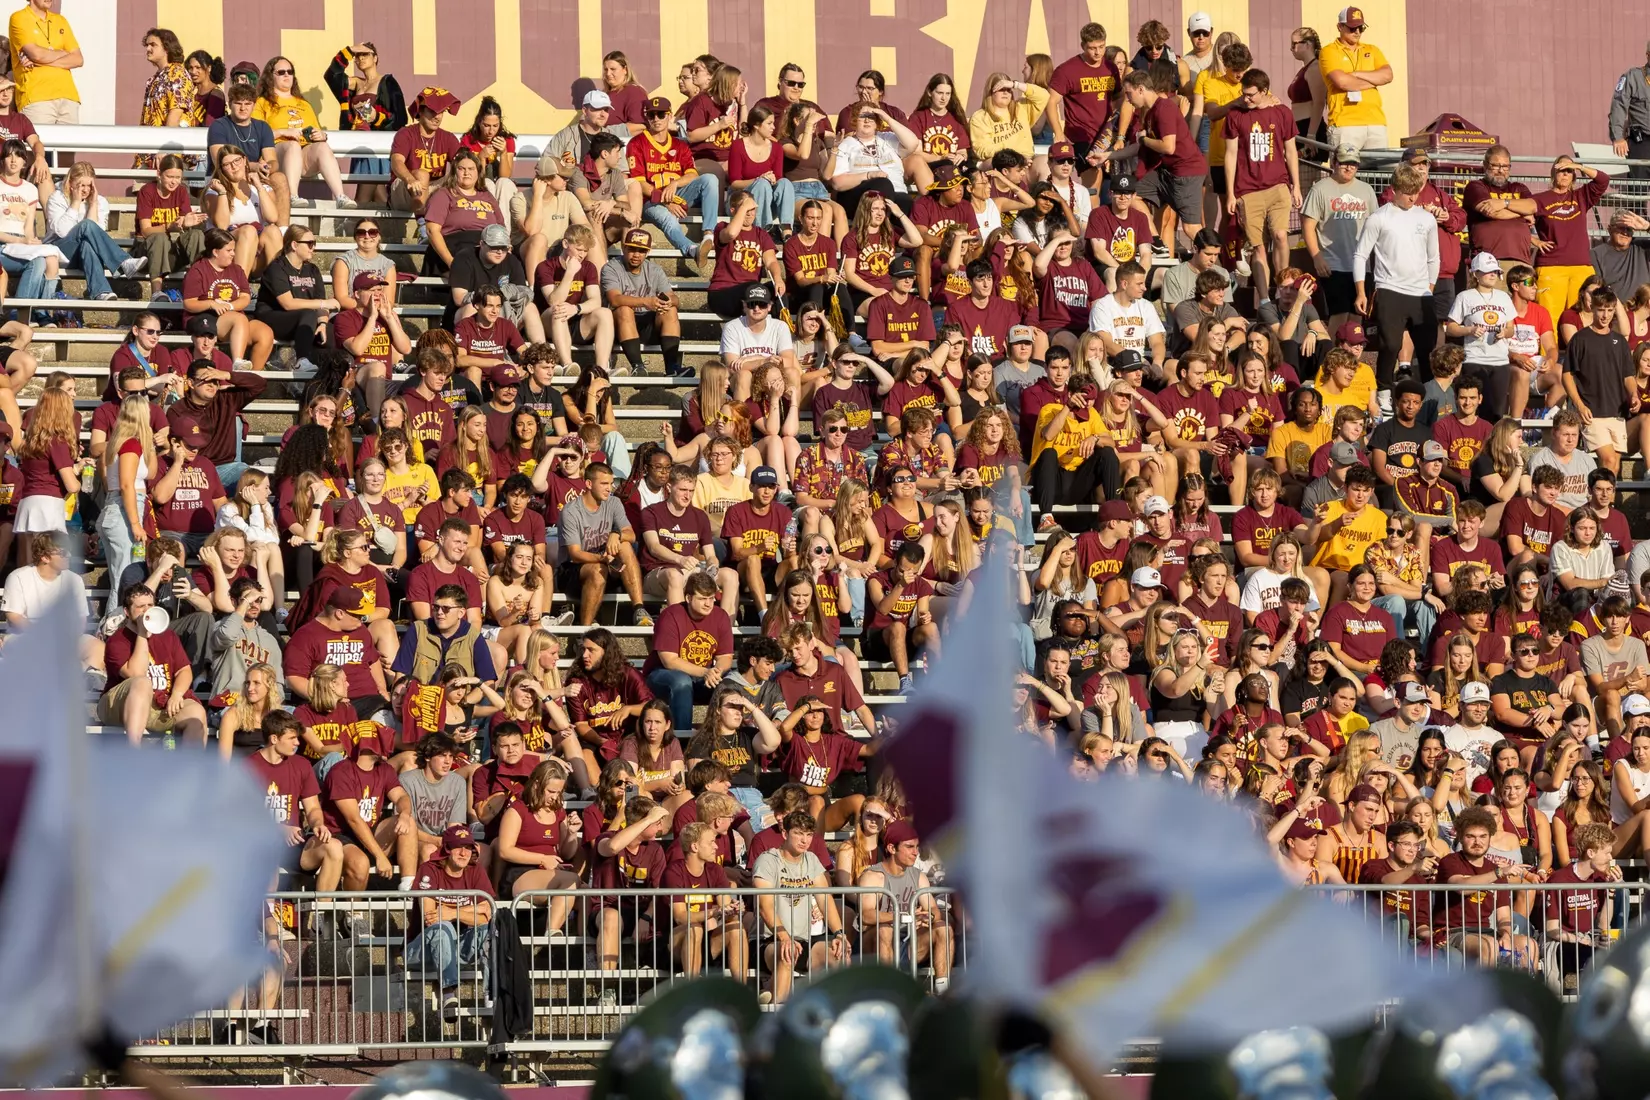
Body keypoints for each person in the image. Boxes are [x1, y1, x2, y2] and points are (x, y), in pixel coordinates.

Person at [1354, 163, 1439, 400]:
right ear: (1394, 189)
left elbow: (1434, 257)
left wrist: (1429, 288)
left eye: (1416, 192)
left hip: (1420, 293)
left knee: (1426, 348)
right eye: (1407, 192)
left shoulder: (1426, 219)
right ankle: (1383, 392)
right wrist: (1361, 291)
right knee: (1390, 345)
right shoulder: (1379, 218)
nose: (1412, 197)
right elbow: (1361, 255)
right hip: (1389, 289)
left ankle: (1431, 395)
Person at [753, 809, 850, 1004]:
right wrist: (784, 938)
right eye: (798, 833)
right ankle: (777, 1019)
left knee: (839, 956)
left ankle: (835, 1017)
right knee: (788, 952)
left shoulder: (811, 860)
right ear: (785, 834)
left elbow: (825, 899)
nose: (805, 840)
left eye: (808, 834)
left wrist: (839, 933)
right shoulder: (768, 860)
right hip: (769, 939)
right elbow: (765, 907)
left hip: (803, 940)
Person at [99, 582, 208, 746]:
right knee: (142, 683)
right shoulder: (118, 640)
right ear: (127, 612)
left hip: (160, 704)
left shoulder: (168, 636)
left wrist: (177, 694)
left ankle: (190, 768)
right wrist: (142, 634)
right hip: (120, 705)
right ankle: (134, 753)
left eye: (150, 605)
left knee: (196, 713)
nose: (146, 610)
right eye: (140, 606)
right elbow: (136, 674)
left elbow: (184, 671)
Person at [407, 823, 493, 1021]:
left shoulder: (476, 871)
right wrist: (471, 910)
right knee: (442, 927)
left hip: (459, 946)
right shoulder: (429, 869)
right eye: (458, 847)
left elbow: (486, 914)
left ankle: (490, 996)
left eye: (469, 848)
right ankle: (448, 993)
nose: (464, 853)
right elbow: (431, 916)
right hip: (421, 950)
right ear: (447, 849)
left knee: (491, 929)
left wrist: (451, 912)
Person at [628, 96, 718, 272]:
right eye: (651, 115)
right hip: (650, 200)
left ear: (669, 116)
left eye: (661, 114)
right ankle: (691, 249)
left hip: (676, 194)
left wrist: (675, 184)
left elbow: (692, 174)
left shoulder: (679, 144)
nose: (656, 119)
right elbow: (639, 183)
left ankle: (708, 235)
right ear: (646, 117)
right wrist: (666, 201)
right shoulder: (637, 143)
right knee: (667, 218)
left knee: (710, 180)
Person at [1120, 69, 1205, 252]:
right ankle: (1156, 242)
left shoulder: (1164, 108)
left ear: (1141, 89)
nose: (1127, 99)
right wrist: (1106, 156)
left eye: (1129, 93)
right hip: (1168, 173)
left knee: (1191, 228)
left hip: (1186, 173)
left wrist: (1143, 139)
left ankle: (1219, 270)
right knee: (1131, 194)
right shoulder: (1150, 113)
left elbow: (1168, 147)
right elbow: (1141, 147)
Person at [253, 56, 353, 208]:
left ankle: (340, 197)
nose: (287, 75)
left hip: (303, 155)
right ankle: (292, 195)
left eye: (290, 72)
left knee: (322, 147)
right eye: (281, 72)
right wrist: (283, 132)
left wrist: (321, 135)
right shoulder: (262, 102)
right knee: (292, 145)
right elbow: (256, 133)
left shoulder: (304, 104)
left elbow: (315, 129)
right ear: (270, 76)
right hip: (275, 154)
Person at [323, 42, 405, 207]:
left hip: (378, 144)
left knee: (371, 186)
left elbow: (401, 119)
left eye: (365, 54)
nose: (360, 58)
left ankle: (353, 219)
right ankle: (378, 223)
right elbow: (331, 75)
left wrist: (377, 117)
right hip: (359, 142)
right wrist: (349, 51)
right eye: (357, 55)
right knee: (377, 191)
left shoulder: (388, 82)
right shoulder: (354, 84)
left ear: (375, 58)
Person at [1532, 155, 1611, 325]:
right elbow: (1520, 221)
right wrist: (1534, 240)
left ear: (1574, 175)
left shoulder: (1581, 196)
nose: (1565, 174)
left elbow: (1603, 180)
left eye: (1569, 171)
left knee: (1584, 315)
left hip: (1581, 265)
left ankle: (1583, 351)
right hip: (1551, 265)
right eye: (1561, 170)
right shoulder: (1540, 199)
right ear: (1553, 173)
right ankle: (1549, 352)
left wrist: (1580, 166)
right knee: (1550, 318)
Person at [1564, 286, 1634, 475]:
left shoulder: (1620, 341)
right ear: (1592, 308)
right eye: (1601, 309)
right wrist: (1579, 405)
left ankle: (1603, 503)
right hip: (1591, 411)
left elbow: (1628, 375)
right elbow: (1567, 375)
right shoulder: (1580, 339)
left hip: (1617, 411)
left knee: (1614, 465)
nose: (1605, 315)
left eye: (1610, 310)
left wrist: (1633, 395)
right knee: (1609, 459)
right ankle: (1599, 503)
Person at [604, 227, 686, 377]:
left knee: (671, 310)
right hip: (619, 325)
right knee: (624, 309)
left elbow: (675, 298)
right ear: (623, 247)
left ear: (647, 252)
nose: (636, 255)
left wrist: (668, 302)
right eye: (632, 249)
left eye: (641, 251)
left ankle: (672, 368)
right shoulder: (611, 267)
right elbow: (614, 299)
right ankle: (638, 367)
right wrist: (645, 302)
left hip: (648, 323)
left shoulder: (654, 269)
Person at [1317, 5, 1390, 153]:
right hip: (1345, 123)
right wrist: (1374, 79)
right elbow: (1342, 82)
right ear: (1340, 27)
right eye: (1352, 28)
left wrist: (1355, 74)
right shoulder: (1329, 51)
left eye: (1361, 28)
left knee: (1378, 175)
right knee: (1345, 172)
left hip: (1376, 122)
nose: (1357, 32)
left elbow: (1388, 75)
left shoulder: (1372, 49)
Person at [389, 87, 462, 215]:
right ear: (420, 112)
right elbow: (396, 162)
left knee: (467, 176)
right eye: (432, 112)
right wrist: (410, 179)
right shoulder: (406, 134)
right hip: (405, 187)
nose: (437, 117)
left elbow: (463, 162)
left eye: (441, 112)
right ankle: (423, 226)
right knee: (422, 175)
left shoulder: (448, 138)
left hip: (434, 188)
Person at [8, 0, 82, 126]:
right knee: (39, 145)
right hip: (37, 98)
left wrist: (39, 61)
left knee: (69, 145)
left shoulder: (60, 20)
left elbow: (78, 59)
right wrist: (63, 53)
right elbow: (36, 54)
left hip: (68, 96)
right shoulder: (19, 18)